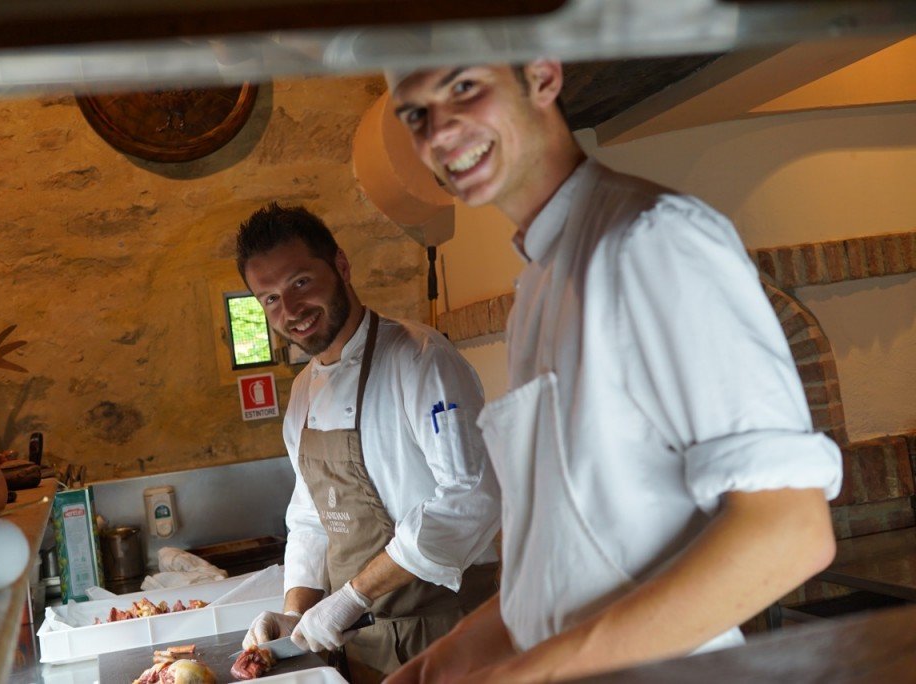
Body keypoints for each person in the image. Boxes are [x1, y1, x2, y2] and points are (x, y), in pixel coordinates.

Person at [384, 60, 843, 683]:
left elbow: (790, 531)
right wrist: (439, 663)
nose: (439, 132)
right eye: (416, 115)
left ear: (542, 77)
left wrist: (530, 674)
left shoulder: (652, 240)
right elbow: (567, 566)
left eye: (464, 88)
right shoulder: (542, 281)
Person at [235, 203, 500, 682]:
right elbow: (313, 519)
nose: (290, 311)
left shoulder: (420, 360)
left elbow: (472, 497)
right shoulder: (301, 396)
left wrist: (353, 595)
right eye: (270, 299)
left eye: (300, 283)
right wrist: (296, 613)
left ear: (340, 266)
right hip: (363, 650)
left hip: (449, 638)